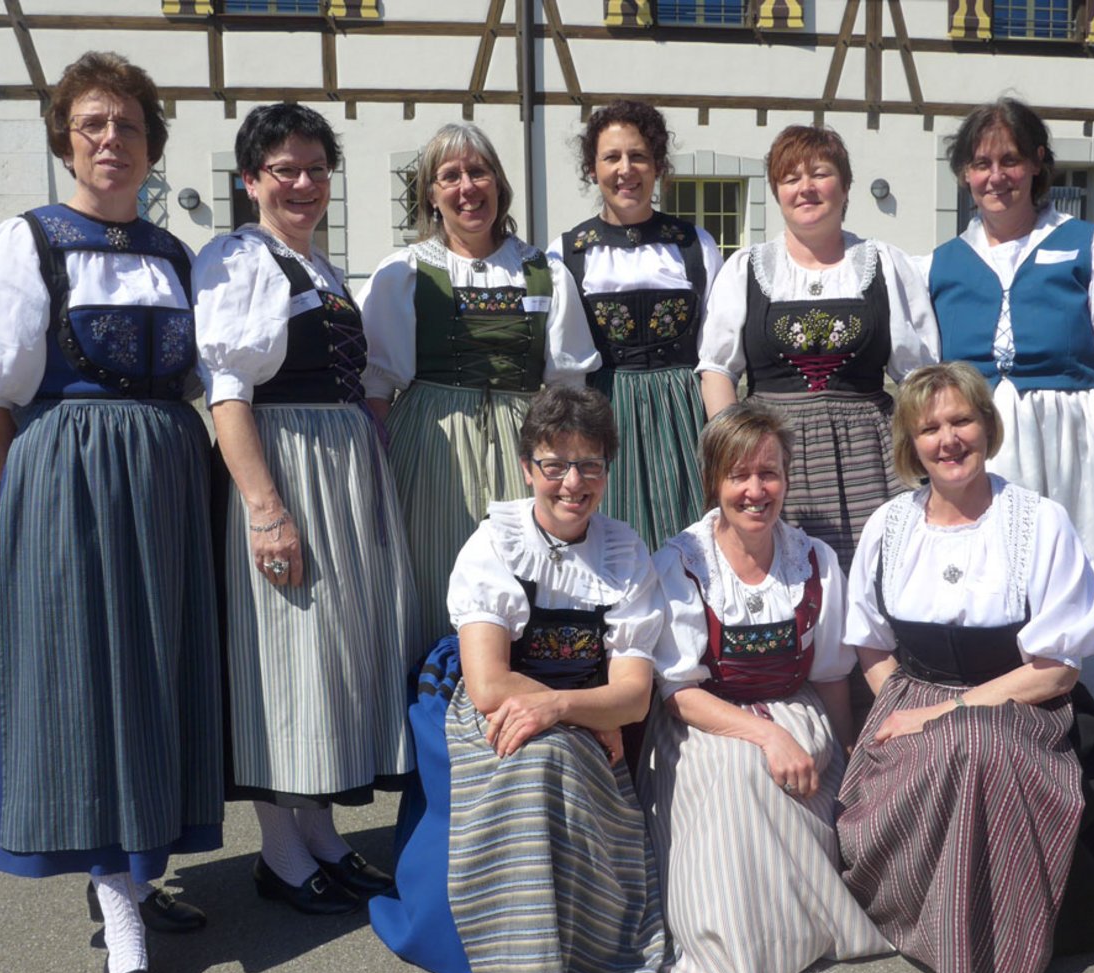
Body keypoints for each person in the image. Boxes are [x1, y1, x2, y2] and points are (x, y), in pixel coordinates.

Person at [0, 51, 221, 973]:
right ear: (67, 138)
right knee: (87, 686)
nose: (111, 140)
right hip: (70, 475)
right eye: (93, 124)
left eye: (129, 126)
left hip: (166, 478)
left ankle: (137, 870)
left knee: (157, 673)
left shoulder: (176, 252)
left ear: (151, 144)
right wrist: (38, 492)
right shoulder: (26, 244)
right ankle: (122, 920)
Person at [836, 363, 1094, 973]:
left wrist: (943, 715)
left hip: (1020, 698)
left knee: (977, 748)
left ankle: (992, 941)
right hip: (912, 691)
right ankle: (930, 919)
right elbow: (871, 645)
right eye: (929, 428)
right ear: (911, 444)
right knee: (940, 753)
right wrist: (903, 707)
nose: (948, 439)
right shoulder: (889, 526)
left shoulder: (1038, 521)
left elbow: (1057, 668)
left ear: (988, 425)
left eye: (961, 420)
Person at [194, 104, 419, 916]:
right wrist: (264, 508)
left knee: (324, 658)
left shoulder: (316, 267)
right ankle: (280, 855)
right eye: (284, 169)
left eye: (316, 169)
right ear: (250, 180)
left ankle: (322, 838)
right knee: (285, 658)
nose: (302, 183)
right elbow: (227, 396)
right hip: (286, 468)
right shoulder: (240, 260)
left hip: (339, 471)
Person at [369, 386, 666, 973]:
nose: (572, 483)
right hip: (492, 699)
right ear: (529, 468)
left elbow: (634, 697)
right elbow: (488, 685)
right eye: (555, 465)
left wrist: (566, 707)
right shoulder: (495, 543)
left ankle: (576, 935)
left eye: (590, 465)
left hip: (578, 705)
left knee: (555, 749)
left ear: (608, 469)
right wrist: (588, 714)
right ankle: (512, 944)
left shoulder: (623, 551)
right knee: (537, 758)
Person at [926, 97, 1094, 723]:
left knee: (1080, 582)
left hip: (1078, 444)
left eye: (1010, 159)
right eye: (981, 163)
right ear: (964, 173)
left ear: (1039, 164)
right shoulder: (938, 265)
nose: (996, 176)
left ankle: (1087, 750)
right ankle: (1002, 732)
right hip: (986, 448)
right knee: (995, 587)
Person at [637, 403, 889, 973]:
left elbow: (830, 674)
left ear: (787, 476)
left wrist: (845, 750)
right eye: (739, 476)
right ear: (713, 483)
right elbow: (678, 692)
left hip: (794, 704)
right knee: (736, 773)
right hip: (705, 718)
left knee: (806, 779)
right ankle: (735, 940)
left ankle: (797, 930)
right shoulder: (682, 563)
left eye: (769, 473)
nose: (756, 490)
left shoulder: (815, 561)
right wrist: (766, 736)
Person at [359, 123, 599, 649]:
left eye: (478, 171)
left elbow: (566, 386)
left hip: (525, 441)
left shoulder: (544, 272)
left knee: (523, 575)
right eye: (450, 176)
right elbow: (376, 387)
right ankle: (433, 699)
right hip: (430, 443)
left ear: (498, 184)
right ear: (431, 193)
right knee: (431, 567)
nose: (467, 186)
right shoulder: (405, 271)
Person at [697, 125, 937, 573]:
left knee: (878, 580)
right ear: (777, 192)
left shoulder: (885, 263)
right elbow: (717, 371)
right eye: (790, 178)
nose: (805, 188)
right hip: (773, 457)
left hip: (872, 456)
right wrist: (740, 455)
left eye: (820, 174)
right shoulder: (746, 269)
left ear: (845, 187)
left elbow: (918, 375)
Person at [549, 101, 723, 550]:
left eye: (639, 156)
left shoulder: (694, 245)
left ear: (659, 166)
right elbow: (563, 364)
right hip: (604, 414)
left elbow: (714, 353)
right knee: (610, 546)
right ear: (592, 169)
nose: (626, 169)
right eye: (612, 157)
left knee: (689, 544)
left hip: (681, 416)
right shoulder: (567, 253)